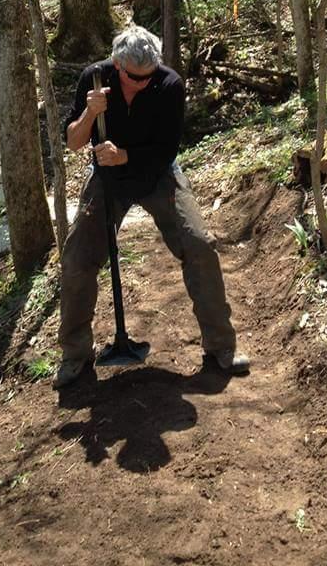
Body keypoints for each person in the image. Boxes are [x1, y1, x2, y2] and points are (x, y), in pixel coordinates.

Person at [53, 25, 249, 389]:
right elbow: (74, 142)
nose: (140, 84)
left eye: (147, 78)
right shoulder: (93, 79)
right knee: (77, 258)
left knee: (199, 245)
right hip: (108, 180)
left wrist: (123, 155)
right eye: (132, 78)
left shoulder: (169, 84)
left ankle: (221, 347)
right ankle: (76, 355)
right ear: (117, 64)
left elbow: (166, 150)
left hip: (158, 175)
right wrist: (90, 115)